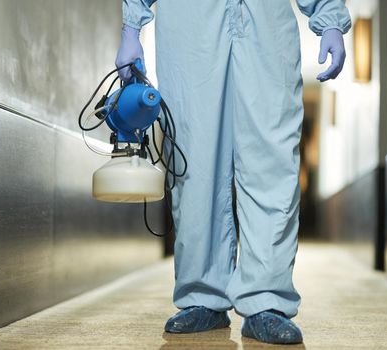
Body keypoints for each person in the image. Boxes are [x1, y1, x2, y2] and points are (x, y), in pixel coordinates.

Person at [116, 0, 350, 345]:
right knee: (193, 161)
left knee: (273, 158)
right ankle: (201, 295)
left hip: (266, 24)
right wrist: (130, 27)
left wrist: (328, 17)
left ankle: (267, 301)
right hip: (189, 26)